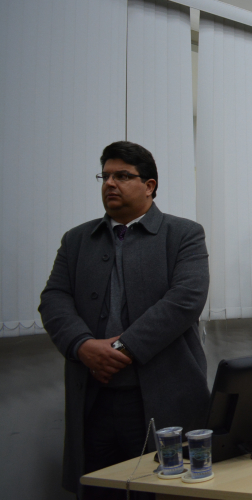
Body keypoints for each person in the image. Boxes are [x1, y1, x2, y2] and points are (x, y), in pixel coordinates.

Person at [39, 141, 210, 499]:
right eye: (105, 176)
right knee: (100, 489)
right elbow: (54, 299)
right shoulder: (77, 240)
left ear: (149, 185)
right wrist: (83, 346)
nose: (110, 183)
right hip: (95, 399)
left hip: (160, 397)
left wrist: (119, 348)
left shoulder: (183, 234)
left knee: (163, 489)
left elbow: (185, 300)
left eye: (122, 176)